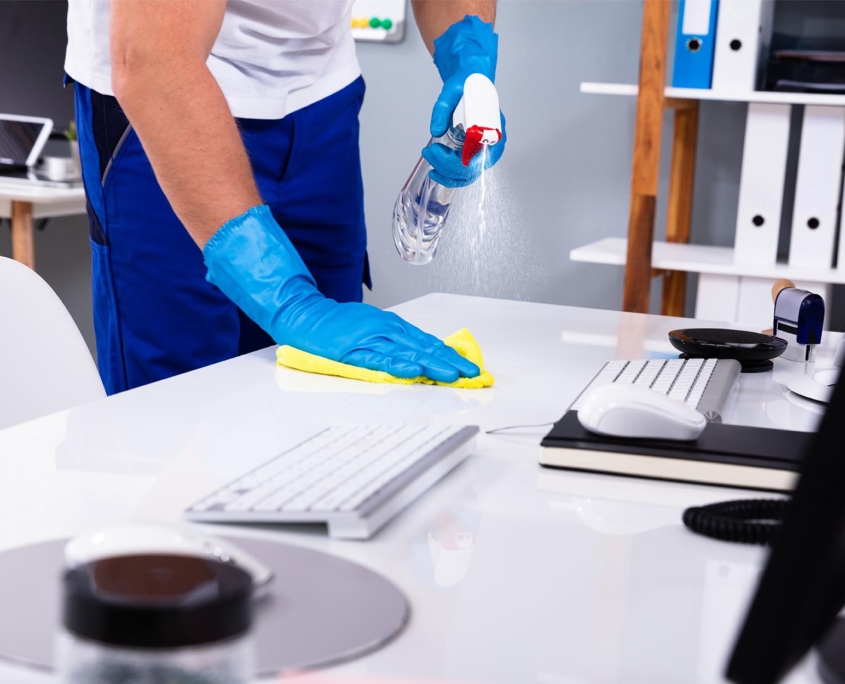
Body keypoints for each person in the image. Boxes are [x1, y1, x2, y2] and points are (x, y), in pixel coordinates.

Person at [64, 0, 506, 395]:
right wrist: (291, 302)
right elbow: (155, 61)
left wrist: (468, 55)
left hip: (319, 93)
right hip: (166, 88)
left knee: (329, 387)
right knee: (177, 403)